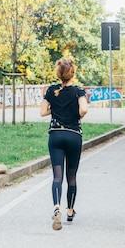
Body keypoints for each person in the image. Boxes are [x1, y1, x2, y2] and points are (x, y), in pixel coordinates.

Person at [40, 58, 88, 231]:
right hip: (74, 135)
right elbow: (83, 110)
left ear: (58, 74)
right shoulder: (78, 91)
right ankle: (69, 210)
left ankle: (56, 207)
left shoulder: (51, 91)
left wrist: (57, 108)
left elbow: (42, 112)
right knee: (72, 176)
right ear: (72, 73)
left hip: (55, 136)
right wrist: (74, 111)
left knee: (57, 176)